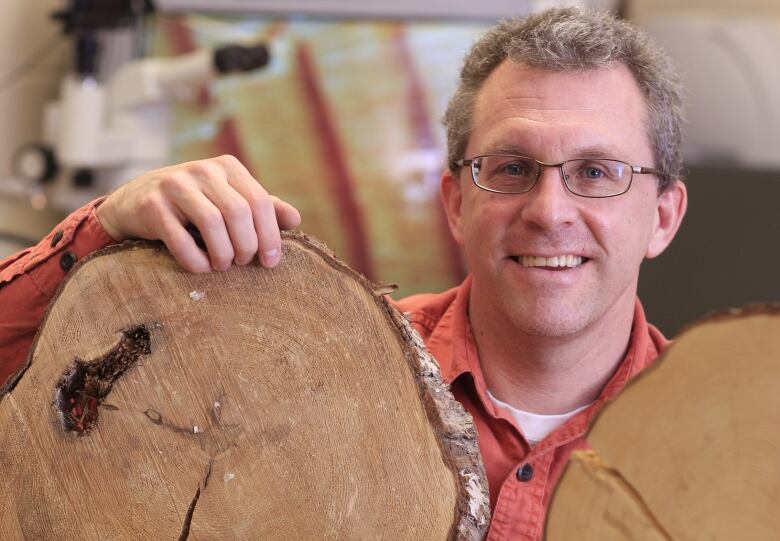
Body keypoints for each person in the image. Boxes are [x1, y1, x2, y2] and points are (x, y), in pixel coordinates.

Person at [0, 7, 687, 540]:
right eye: (510, 168)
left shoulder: (736, 444)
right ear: (455, 202)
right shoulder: (297, 372)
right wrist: (102, 231)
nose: (549, 210)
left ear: (663, 215)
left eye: (597, 173)